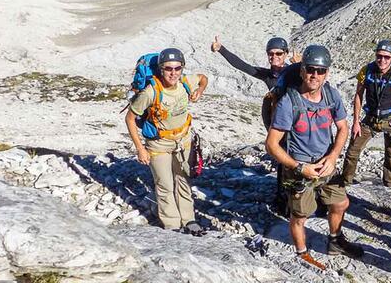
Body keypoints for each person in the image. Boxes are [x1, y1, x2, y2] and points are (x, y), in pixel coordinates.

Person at [265, 44, 363, 270]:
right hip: (300, 166)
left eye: (320, 71)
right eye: (310, 69)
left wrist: (333, 156)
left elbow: (343, 128)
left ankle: (335, 240)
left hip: (325, 162)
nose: (315, 75)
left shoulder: (331, 95)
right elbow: (271, 144)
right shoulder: (289, 102)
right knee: (300, 215)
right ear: (301, 70)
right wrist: (299, 167)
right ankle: (302, 253)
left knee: (341, 203)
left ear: (327, 72)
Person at [125, 48, 208, 234]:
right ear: (161, 69)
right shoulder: (150, 92)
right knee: (164, 184)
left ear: (182, 68)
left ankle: (189, 219)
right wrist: (140, 148)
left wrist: (200, 90)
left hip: (183, 141)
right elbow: (130, 118)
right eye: (168, 68)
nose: (173, 73)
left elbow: (203, 78)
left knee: (183, 180)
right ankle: (172, 224)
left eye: (177, 68)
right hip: (158, 144)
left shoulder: (185, 82)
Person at [341, 39, 391, 187]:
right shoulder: (366, 71)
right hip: (370, 119)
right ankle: (345, 183)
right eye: (379, 56)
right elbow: (358, 96)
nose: (382, 60)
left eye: (386, 57)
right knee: (352, 151)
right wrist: (356, 122)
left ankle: (389, 185)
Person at [211, 35, 298, 129]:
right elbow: (242, 65)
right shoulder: (267, 75)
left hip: (297, 120)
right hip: (280, 123)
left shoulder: (294, 71)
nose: (274, 56)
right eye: (270, 53)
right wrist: (221, 49)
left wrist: (300, 65)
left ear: (286, 54)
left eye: (279, 53)